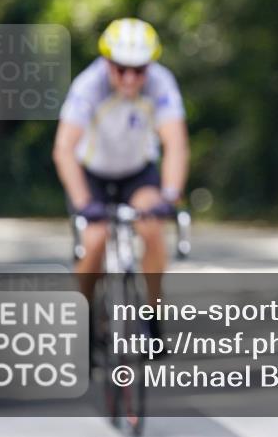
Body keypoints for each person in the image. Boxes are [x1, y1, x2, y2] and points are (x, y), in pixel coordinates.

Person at [53, 18, 189, 327]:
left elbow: (176, 144)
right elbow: (64, 149)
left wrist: (170, 194)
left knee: (152, 227)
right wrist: (83, 203)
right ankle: (83, 317)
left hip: (136, 172)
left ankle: (153, 315)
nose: (129, 78)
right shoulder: (88, 86)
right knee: (95, 241)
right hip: (93, 173)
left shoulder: (161, 83)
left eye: (139, 70)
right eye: (120, 69)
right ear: (106, 62)